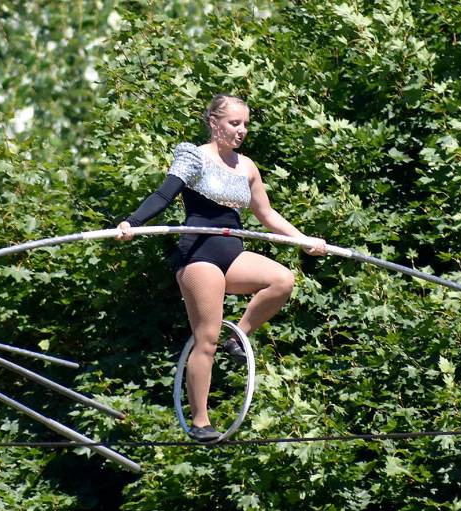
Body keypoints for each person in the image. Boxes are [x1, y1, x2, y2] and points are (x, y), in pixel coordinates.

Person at [117, 94, 326, 442]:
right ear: (214, 123)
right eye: (234, 123)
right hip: (199, 255)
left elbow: (267, 214)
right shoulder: (194, 157)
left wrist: (304, 240)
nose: (241, 130)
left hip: (232, 255)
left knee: (282, 280)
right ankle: (200, 421)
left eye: (245, 124)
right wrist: (132, 222)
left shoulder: (247, 167)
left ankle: (238, 338)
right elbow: (164, 194)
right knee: (206, 337)